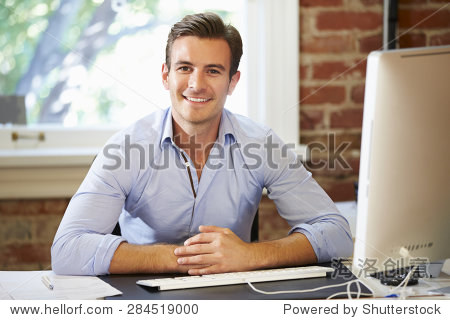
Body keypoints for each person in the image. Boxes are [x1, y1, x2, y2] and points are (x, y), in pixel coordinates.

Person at [51, 12, 352, 276]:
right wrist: (183, 258)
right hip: (143, 299)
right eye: (184, 68)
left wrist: (250, 255)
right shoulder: (126, 148)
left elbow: (336, 233)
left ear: (232, 82)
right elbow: (67, 249)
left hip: (232, 299)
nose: (196, 84)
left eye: (213, 70)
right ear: (166, 76)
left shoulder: (261, 144)